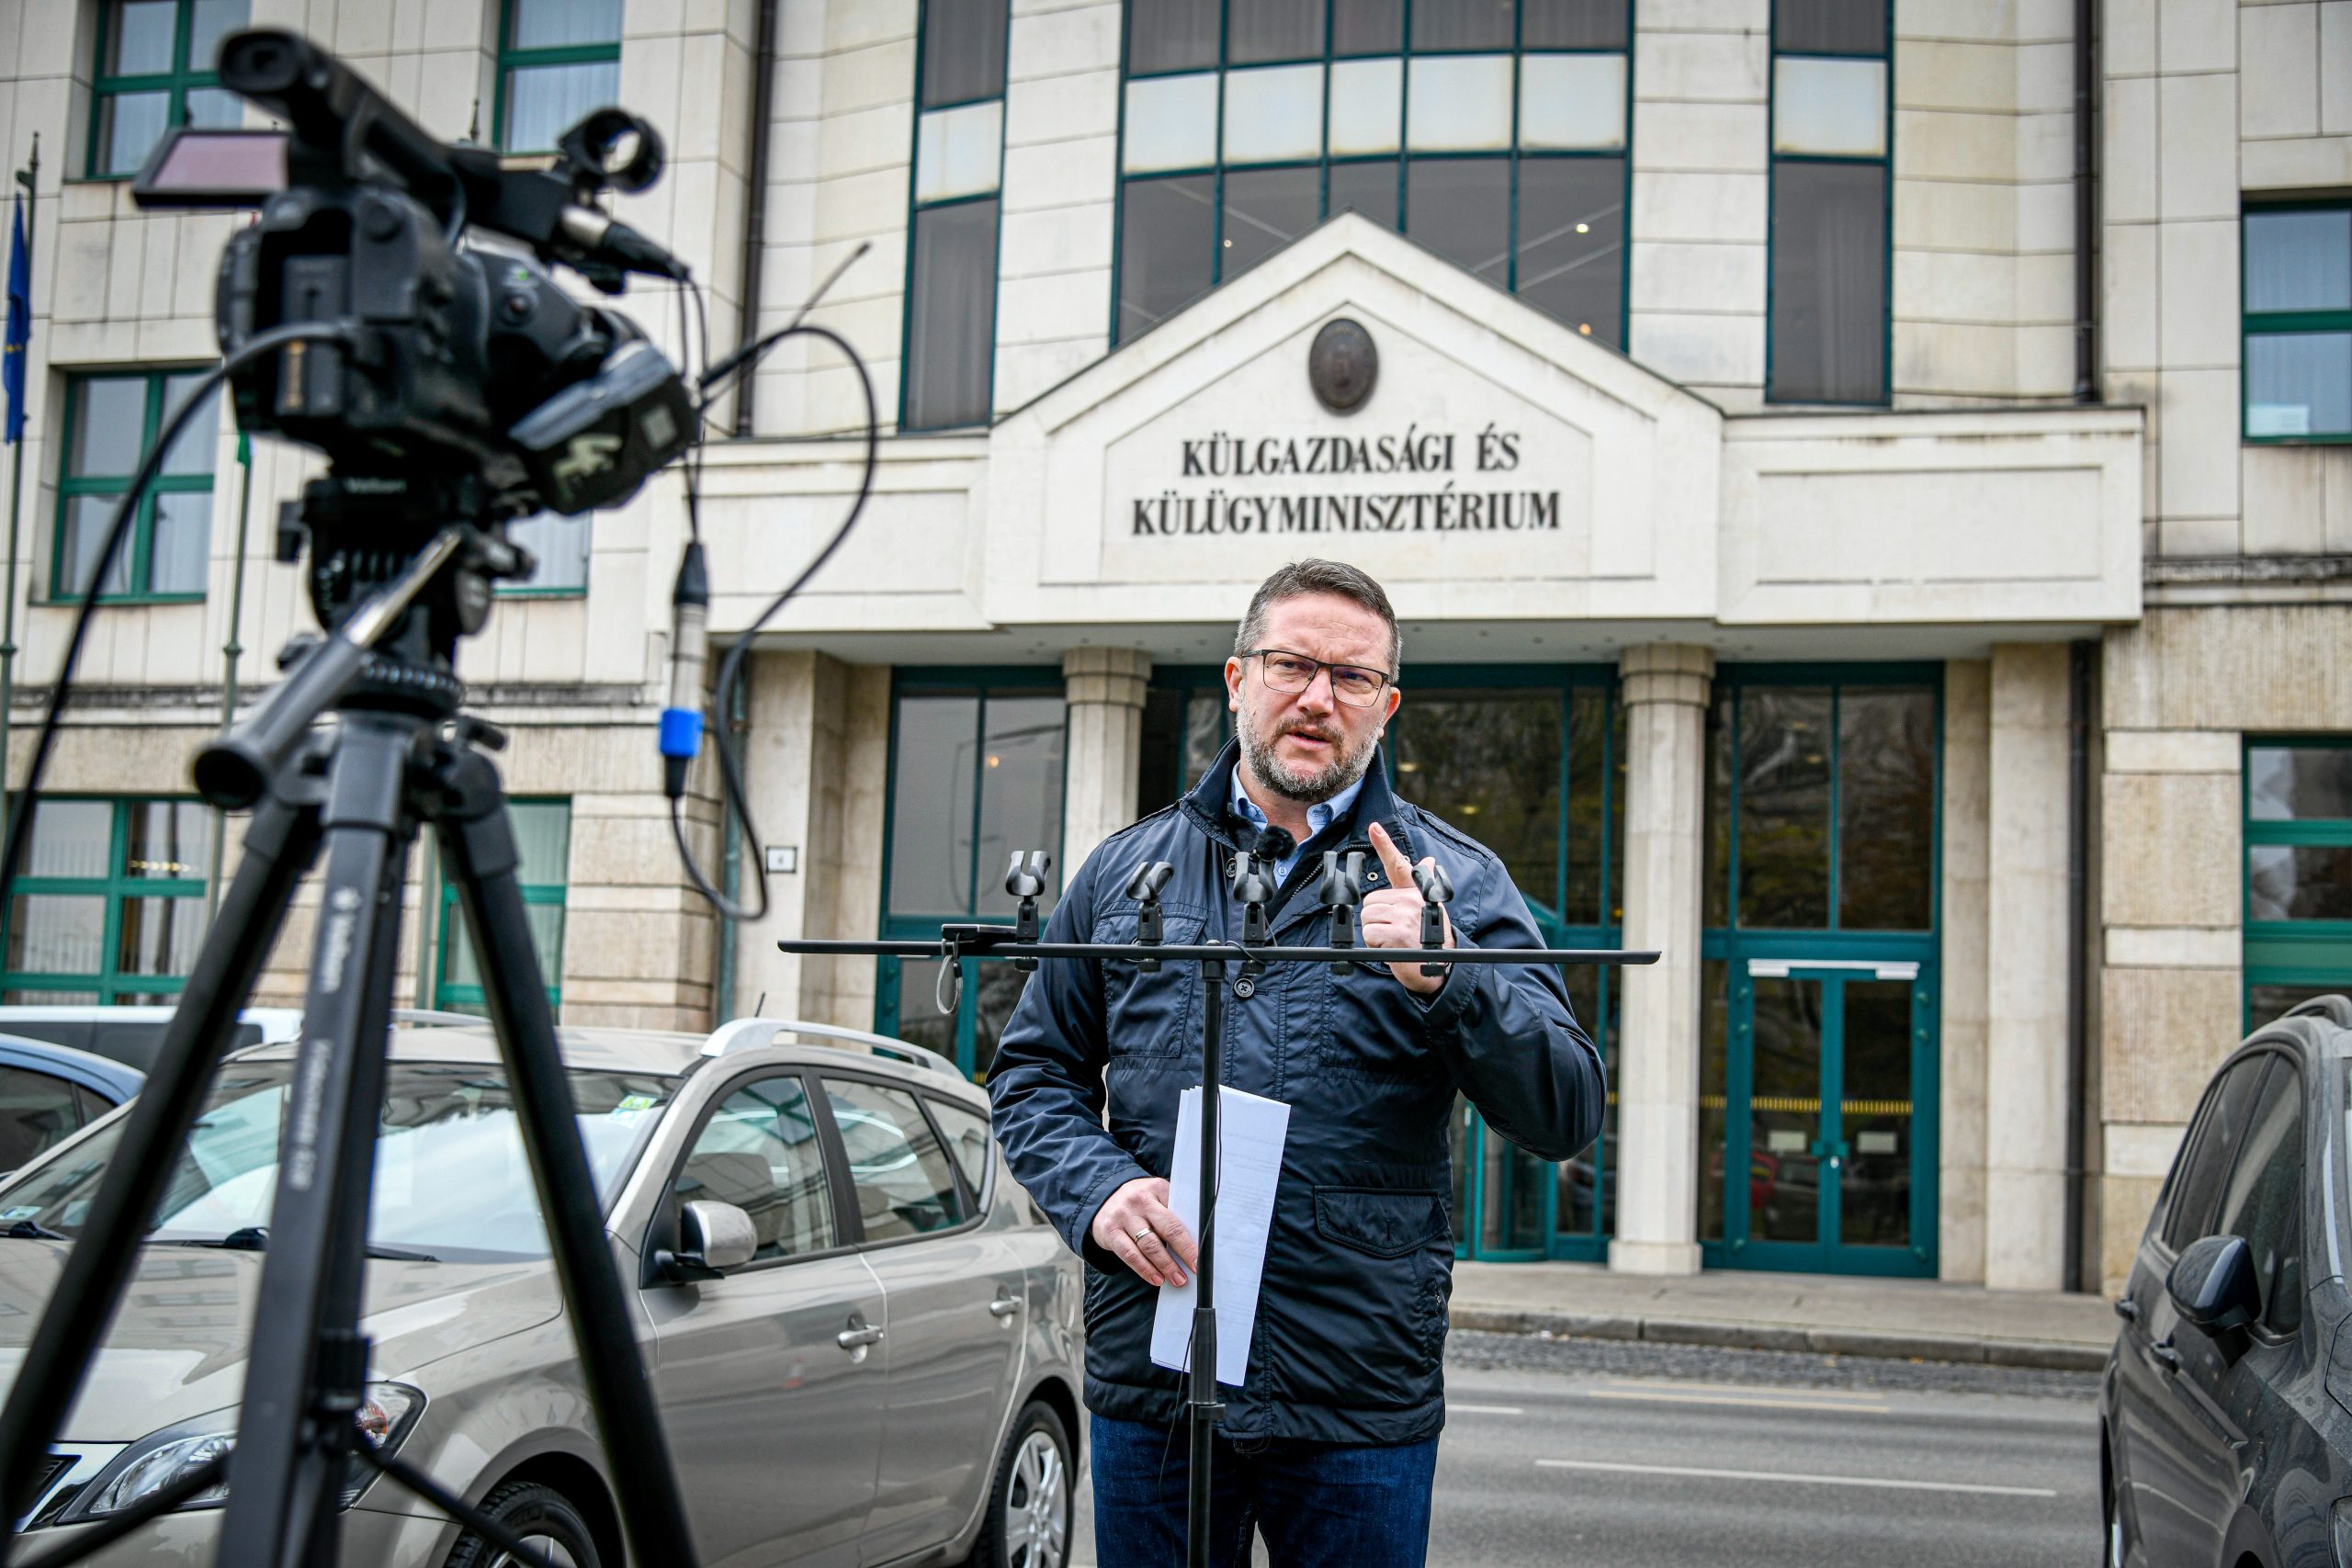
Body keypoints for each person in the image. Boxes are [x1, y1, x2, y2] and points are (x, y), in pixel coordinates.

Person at [989, 558, 1606, 1568]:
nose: (1318, 697)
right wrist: (1096, 1192)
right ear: (1238, 680)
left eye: (1352, 678)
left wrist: (1450, 979)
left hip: (1357, 1394)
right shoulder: (1122, 872)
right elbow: (1031, 1075)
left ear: (1387, 706)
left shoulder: (1458, 882)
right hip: (1158, 1369)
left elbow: (1565, 1110)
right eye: (1292, 665)